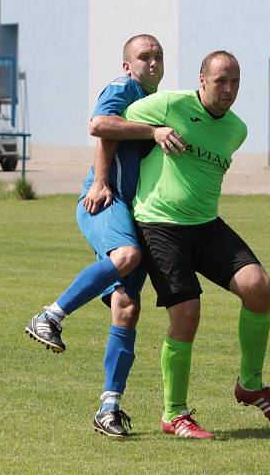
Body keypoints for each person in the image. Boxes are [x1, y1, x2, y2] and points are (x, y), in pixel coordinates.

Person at [122, 50, 270, 440]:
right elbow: (107, 122)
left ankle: (250, 383)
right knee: (187, 314)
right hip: (159, 224)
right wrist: (153, 132)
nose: (229, 89)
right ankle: (174, 414)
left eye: (235, 82)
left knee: (258, 286)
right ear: (202, 80)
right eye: (220, 81)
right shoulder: (170, 104)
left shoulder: (237, 130)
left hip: (205, 224)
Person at [24, 34, 184, 437]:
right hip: (103, 200)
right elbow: (99, 125)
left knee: (127, 309)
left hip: (135, 213)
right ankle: (50, 315)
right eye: (144, 57)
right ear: (128, 65)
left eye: (158, 56)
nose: (152, 62)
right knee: (127, 255)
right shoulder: (122, 87)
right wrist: (99, 181)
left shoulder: (156, 104)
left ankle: (109, 407)